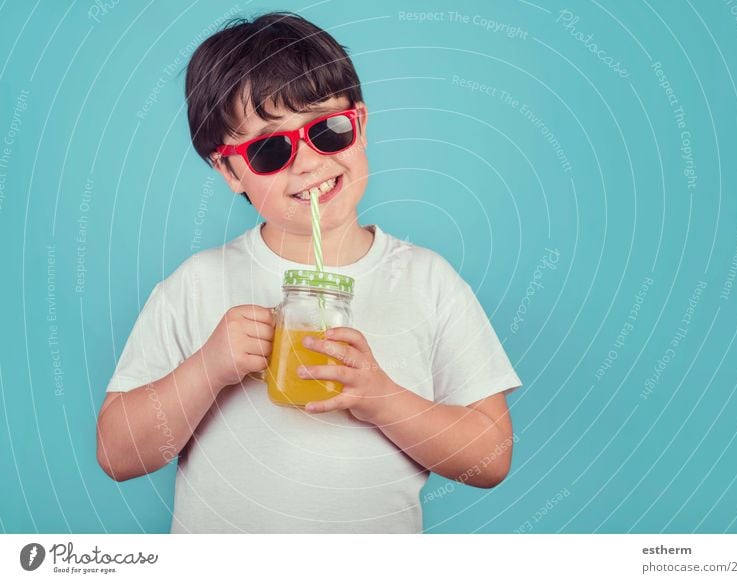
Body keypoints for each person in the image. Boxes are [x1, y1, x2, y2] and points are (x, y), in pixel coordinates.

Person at [96, 11, 522, 533]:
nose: (308, 162)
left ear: (360, 125)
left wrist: (381, 398)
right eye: (269, 149)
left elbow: (490, 456)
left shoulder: (427, 282)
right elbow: (118, 455)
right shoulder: (197, 285)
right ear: (228, 170)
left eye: (327, 129)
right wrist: (209, 368)